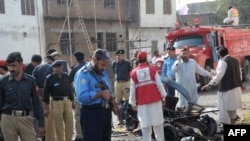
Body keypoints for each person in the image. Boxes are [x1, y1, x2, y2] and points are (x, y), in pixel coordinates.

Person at [74, 49, 118, 141]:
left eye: (106, 65)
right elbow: (81, 96)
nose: (104, 67)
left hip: (105, 112)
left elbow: (108, 89)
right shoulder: (83, 74)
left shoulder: (103, 73)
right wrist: (100, 94)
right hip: (91, 113)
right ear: (94, 60)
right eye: (102, 64)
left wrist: (113, 104)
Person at [0, 52, 45, 141]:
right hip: (8, 119)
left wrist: (41, 124)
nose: (11, 69)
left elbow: (36, 103)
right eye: (9, 66)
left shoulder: (31, 81)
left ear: (21, 64)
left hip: (26, 119)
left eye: (13, 65)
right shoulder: (3, 82)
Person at [129, 51, 167, 141]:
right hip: (155, 102)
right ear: (146, 59)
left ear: (137, 60)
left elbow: (132, 91)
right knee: (158, 126)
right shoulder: (153, 70)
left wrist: (133, 103)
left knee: (145, 127)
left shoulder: (133, 73)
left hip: (142, 104)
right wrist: (164, 96)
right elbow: (159, 85)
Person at [201, 46, 244, 126]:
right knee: (232, 113)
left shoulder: (222, 62)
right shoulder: (236, 60)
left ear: (219, 54)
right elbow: (239, 75)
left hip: (226, 91)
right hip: (235, 90)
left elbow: (218, 77)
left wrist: (209, 84)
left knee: (224, 114)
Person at [43, 60, 75, 141]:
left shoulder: (66, 76)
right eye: (54, 67)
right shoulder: (50, 78)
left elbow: (70, 90)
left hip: (67, 101)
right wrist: (45, 108)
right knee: (58, 125)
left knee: (70, 124)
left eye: (58, 67)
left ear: (62, 67)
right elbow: (45, 93)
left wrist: (73, 101)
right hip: (56, 102)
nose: (56, 69)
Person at [32, 55, 55, 141]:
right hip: (49, 94)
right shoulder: (52, 68)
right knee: (48, 115)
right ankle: (47, 136)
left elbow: (33, 81)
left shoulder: (37, 68)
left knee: (39, 114)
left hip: (38, 94)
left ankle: (39, 135)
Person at [69, 51, 86, 141]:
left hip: (79, 95)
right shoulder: (89, 66)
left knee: (77, 115)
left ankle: (79, 135)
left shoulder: (75, 69)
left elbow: (69, 81)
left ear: (76, 58)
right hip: (90, 96)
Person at [112, 49, 132, 125]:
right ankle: (119, 119)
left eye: (120, 55)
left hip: (126, 83)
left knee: (127, 100)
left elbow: (130, 72)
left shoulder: (127, 63)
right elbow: (115, 72)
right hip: (118, 83)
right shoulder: (114, 64)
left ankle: (127, 117)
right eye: (117, 55)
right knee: (118, 101)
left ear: (123, 55)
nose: (118, 56)